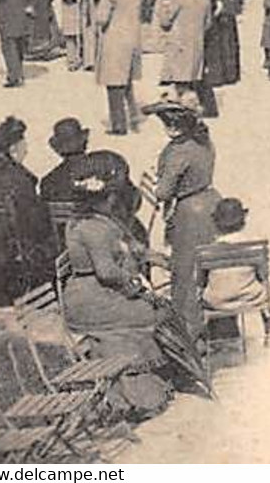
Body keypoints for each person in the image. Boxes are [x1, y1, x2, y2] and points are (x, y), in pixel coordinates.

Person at [60, 163, 194, 420]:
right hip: (92, 299)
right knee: (153, 313)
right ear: (106, 198)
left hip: (97, 292)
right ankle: (141, 390)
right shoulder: (93, 228)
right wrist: (132, 283)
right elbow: (107, 272)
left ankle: (151, 382)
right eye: (113, 195)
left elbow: (128, 246)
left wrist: (153, 257)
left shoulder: (97, 221)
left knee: (156, 306)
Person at [147, 93, 222, 336]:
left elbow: (164, 191)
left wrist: (158, 186)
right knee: (209, 264)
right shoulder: (203, 141)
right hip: (211, 201)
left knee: (185, 269)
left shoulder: (179, 151)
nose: (167, 127)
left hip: (189, 212)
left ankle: (188, 329)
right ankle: (221, 323)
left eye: (169, 122)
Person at [0, 117, 58, 305]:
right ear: (13, 149)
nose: (27, 150)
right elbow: (35, 223)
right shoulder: (20, 178)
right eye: (24, 146)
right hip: (13, 252)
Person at [200, 197, 270, 343]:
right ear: (242, 222)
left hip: (218, 301)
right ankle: (269, 333)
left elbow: (201, 281)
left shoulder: (207, 252)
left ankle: (207, 340)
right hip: (250, 298)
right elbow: (263, 275)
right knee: (266, 286)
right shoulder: (254, 247)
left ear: (217, 224)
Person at [155, 0, 214, 107]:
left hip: (179, 45)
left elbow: (165, 22)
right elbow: (207, 23)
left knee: (180, 84)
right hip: (196, 45)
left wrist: (163, 6)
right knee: (191, 79)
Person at [95, 0, 147, 135]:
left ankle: (119, 125)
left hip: (115, 38)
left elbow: (101, 18)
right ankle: (133, 117)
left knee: (114, 83)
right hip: (133, 37)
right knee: (127, 81)